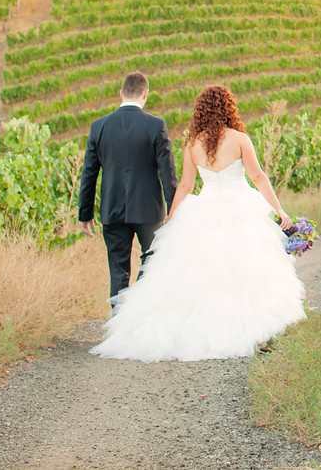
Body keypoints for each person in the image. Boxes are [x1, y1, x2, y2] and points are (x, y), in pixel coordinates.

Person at [90, 84, 306, 361]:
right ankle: (251, 329)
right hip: (240, 208)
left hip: (205, 210)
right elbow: (258, 177)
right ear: (229, 108)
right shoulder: (240, 140)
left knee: (202, 273)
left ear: (200, 111)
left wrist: (172, 216)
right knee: (247, 270)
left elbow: (185, 186)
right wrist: (280, 210)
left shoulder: (193, 145)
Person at [77, 72, 176, 302]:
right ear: (145, 94)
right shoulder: (156, 126)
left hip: (112, 209)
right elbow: (167, 174)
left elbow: (89, 173)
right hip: (148, 211)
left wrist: (85, 214)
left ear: (121, 93)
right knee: (152, 265)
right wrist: (174, 210)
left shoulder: (99, 127)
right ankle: (139, 310)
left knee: (118, 272)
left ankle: (120, 318)